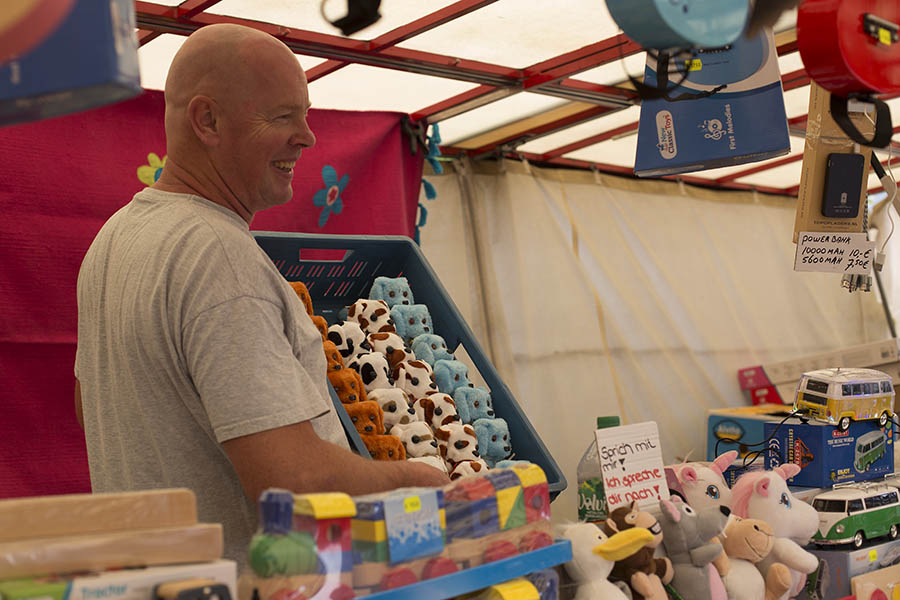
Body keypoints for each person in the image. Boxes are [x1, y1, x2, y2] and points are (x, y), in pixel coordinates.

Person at [74, 23, 448, 564]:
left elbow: (96, 412)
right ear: (207, 120)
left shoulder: (113, 239)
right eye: (282, 116)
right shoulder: (216, 255)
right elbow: (294, 485)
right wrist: (419, 480)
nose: (308, 136)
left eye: (305, 113)